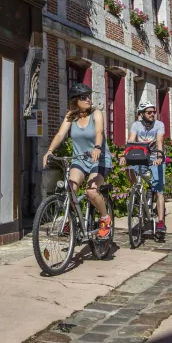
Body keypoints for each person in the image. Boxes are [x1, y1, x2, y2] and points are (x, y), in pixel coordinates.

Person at [43, 83, 113, 239]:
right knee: (70, 190)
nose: (88, 99)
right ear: (75, 100)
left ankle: (104, 219)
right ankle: (72, 221)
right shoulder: (71, 116)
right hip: (80, 160)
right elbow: (60, 135)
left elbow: (99, 131)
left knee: (91, 191)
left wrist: (97, 147)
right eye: (84, 97)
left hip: (99, 160)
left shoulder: (96, 114)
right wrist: (49, 151)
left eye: (89, 96)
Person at [123, 100, 166, 236]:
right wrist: (125, 155)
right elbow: (130, 140)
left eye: (154, 111)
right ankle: (137, 193)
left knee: (159, 191)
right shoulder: (136, 124)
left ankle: (160, 222)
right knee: (129, 171)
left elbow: (159, 140)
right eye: (149, 112)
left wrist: (160, 156)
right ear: (141, 114)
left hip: (154, 157)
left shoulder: (159, 124)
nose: (153, 114)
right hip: (140, 156)